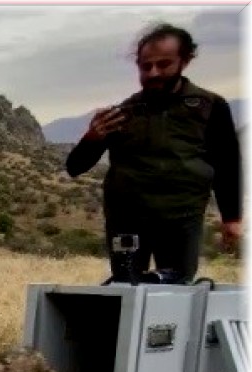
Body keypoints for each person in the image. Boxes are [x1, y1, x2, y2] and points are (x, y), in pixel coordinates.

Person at [65, 22, 242, 284]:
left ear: (185, 61)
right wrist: (92, 138)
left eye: (163, 64)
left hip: (181, 219)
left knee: (176, 291)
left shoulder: (209, 107)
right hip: (127, 220)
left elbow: (227, 163)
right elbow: (75, 167)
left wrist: (232, 219)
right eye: (145, 66)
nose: (153, 73)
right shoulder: (123, 113)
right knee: (125, 289)